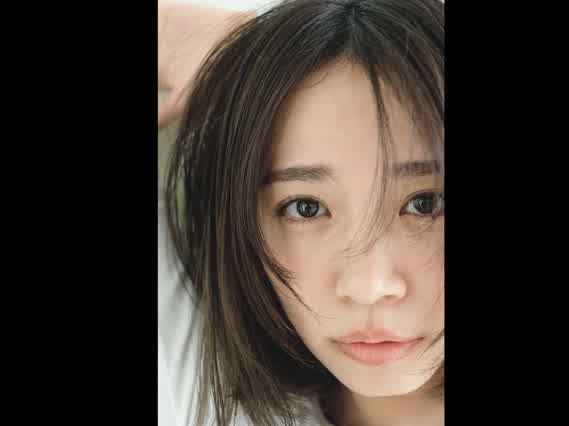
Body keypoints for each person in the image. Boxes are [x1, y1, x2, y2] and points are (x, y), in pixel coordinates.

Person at [158, 0, 444, 425]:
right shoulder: (204, 386)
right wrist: (195, 36)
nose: (368, 287)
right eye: (306, 209)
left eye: (425, 204)